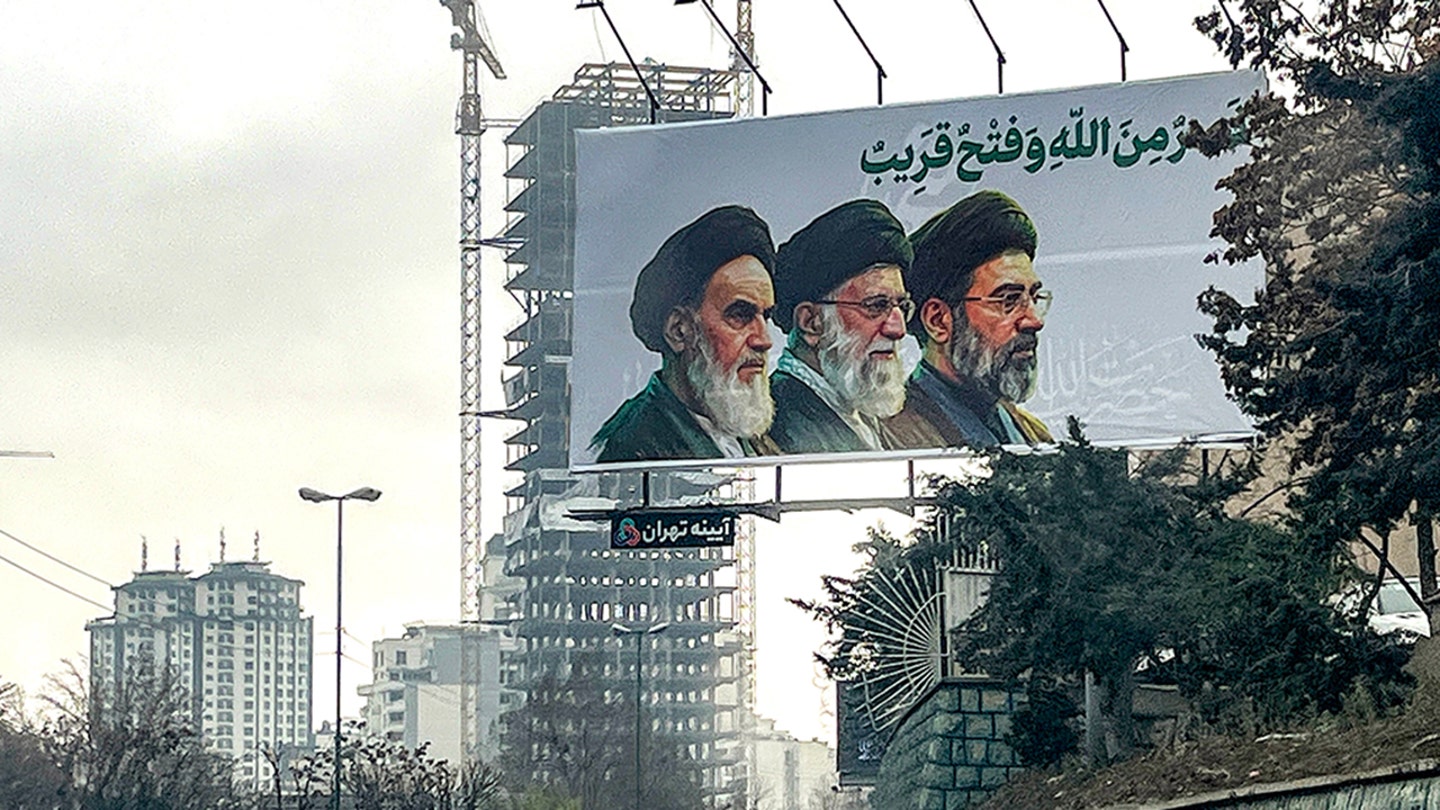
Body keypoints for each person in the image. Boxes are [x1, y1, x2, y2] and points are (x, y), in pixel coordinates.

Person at [590, 205, 782, 462]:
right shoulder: (633, 447)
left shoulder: (746, 434)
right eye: (739, 315)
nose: (764, 340)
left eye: (765, 316)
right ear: (679, 331)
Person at [888, 189, 1053, 449]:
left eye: (1034, 297)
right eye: (1008, 300)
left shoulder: (1034, 433)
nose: (1033, 321)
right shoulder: (893, 438)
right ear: (938, 320)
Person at [768, 199, 914, 454]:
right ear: (811, 323)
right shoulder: (781, 422)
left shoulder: (859, 406)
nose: (898, 329)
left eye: (901, 306)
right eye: (876, 305)